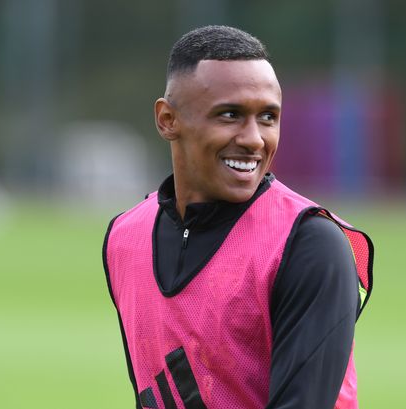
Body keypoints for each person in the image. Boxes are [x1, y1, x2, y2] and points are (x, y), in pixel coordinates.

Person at [103, 25, 374, 409]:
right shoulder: (125, 238)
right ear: (167, 119)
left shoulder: (309, 243)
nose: (253, 139)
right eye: (230, 115)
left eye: (267, 117)